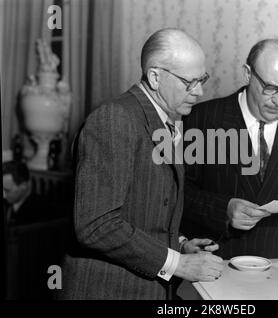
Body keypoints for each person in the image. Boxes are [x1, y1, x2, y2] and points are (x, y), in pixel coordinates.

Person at [58, 28, 223, 300]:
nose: (200, 91)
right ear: (155, 77)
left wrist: (179, 245)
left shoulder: (165, 120)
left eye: (202, 79)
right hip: (109, 290)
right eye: (189, 82)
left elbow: (147, 209)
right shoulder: (115, 119)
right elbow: (95, 225)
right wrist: (176, 263)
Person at [181, 36, 278, 259]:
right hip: (220, 260)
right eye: (270, 88)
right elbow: (180, 194)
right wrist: (223, 209)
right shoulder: (203, 119)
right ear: (248, 74)